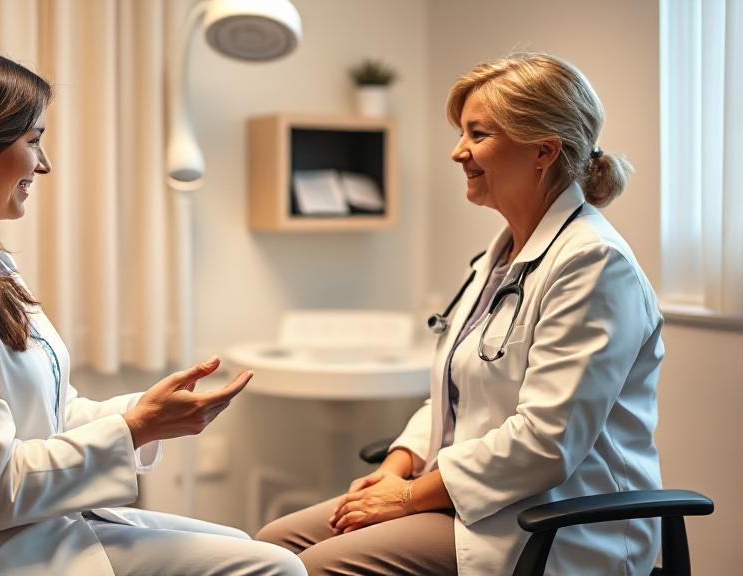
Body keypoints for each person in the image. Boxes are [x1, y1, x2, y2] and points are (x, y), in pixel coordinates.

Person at [0, 42, 305, 576]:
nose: (43, 164)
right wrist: (136, 429)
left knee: (251, 548)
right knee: (275, 569)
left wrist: (146, 411)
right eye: (32, 141)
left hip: (34, 533)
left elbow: (45, 414)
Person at [257, 52, 663, 575]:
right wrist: (396, 467)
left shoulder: (594, 264)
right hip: (475, 501)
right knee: (271, 548)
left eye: (478, 134)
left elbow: (546, 443)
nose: (458, 152)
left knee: (318, 566)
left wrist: (409, 497)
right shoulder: (502, 258)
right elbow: (452, 397)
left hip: (557, 520)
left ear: (543, 151)